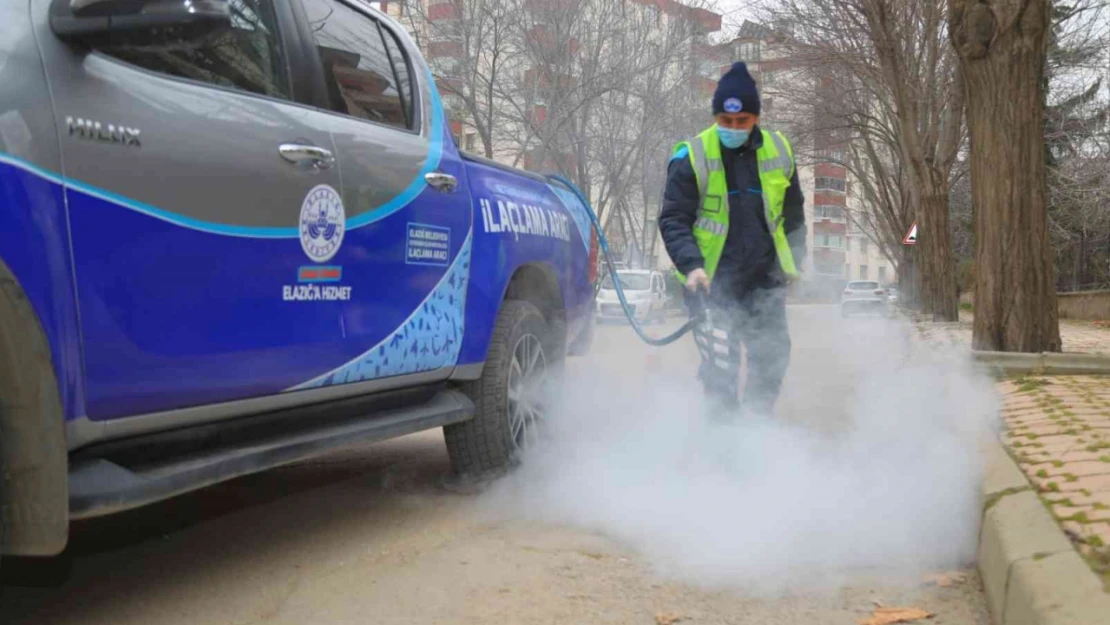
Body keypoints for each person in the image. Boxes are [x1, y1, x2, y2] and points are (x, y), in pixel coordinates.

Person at [658, 62, 806, 418]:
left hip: (763, 280)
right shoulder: (692, 156)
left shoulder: (780, 150)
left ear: (756, 117)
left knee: (771, 359)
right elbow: (674, 218)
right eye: (726, 121)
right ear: (716, 117)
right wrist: (691, 266)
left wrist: (795, 264)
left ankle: (756, 430)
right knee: (721, 366)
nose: (734, 128)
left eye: (742, 121)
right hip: (710, 283)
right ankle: (723, 446)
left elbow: (793, 215)